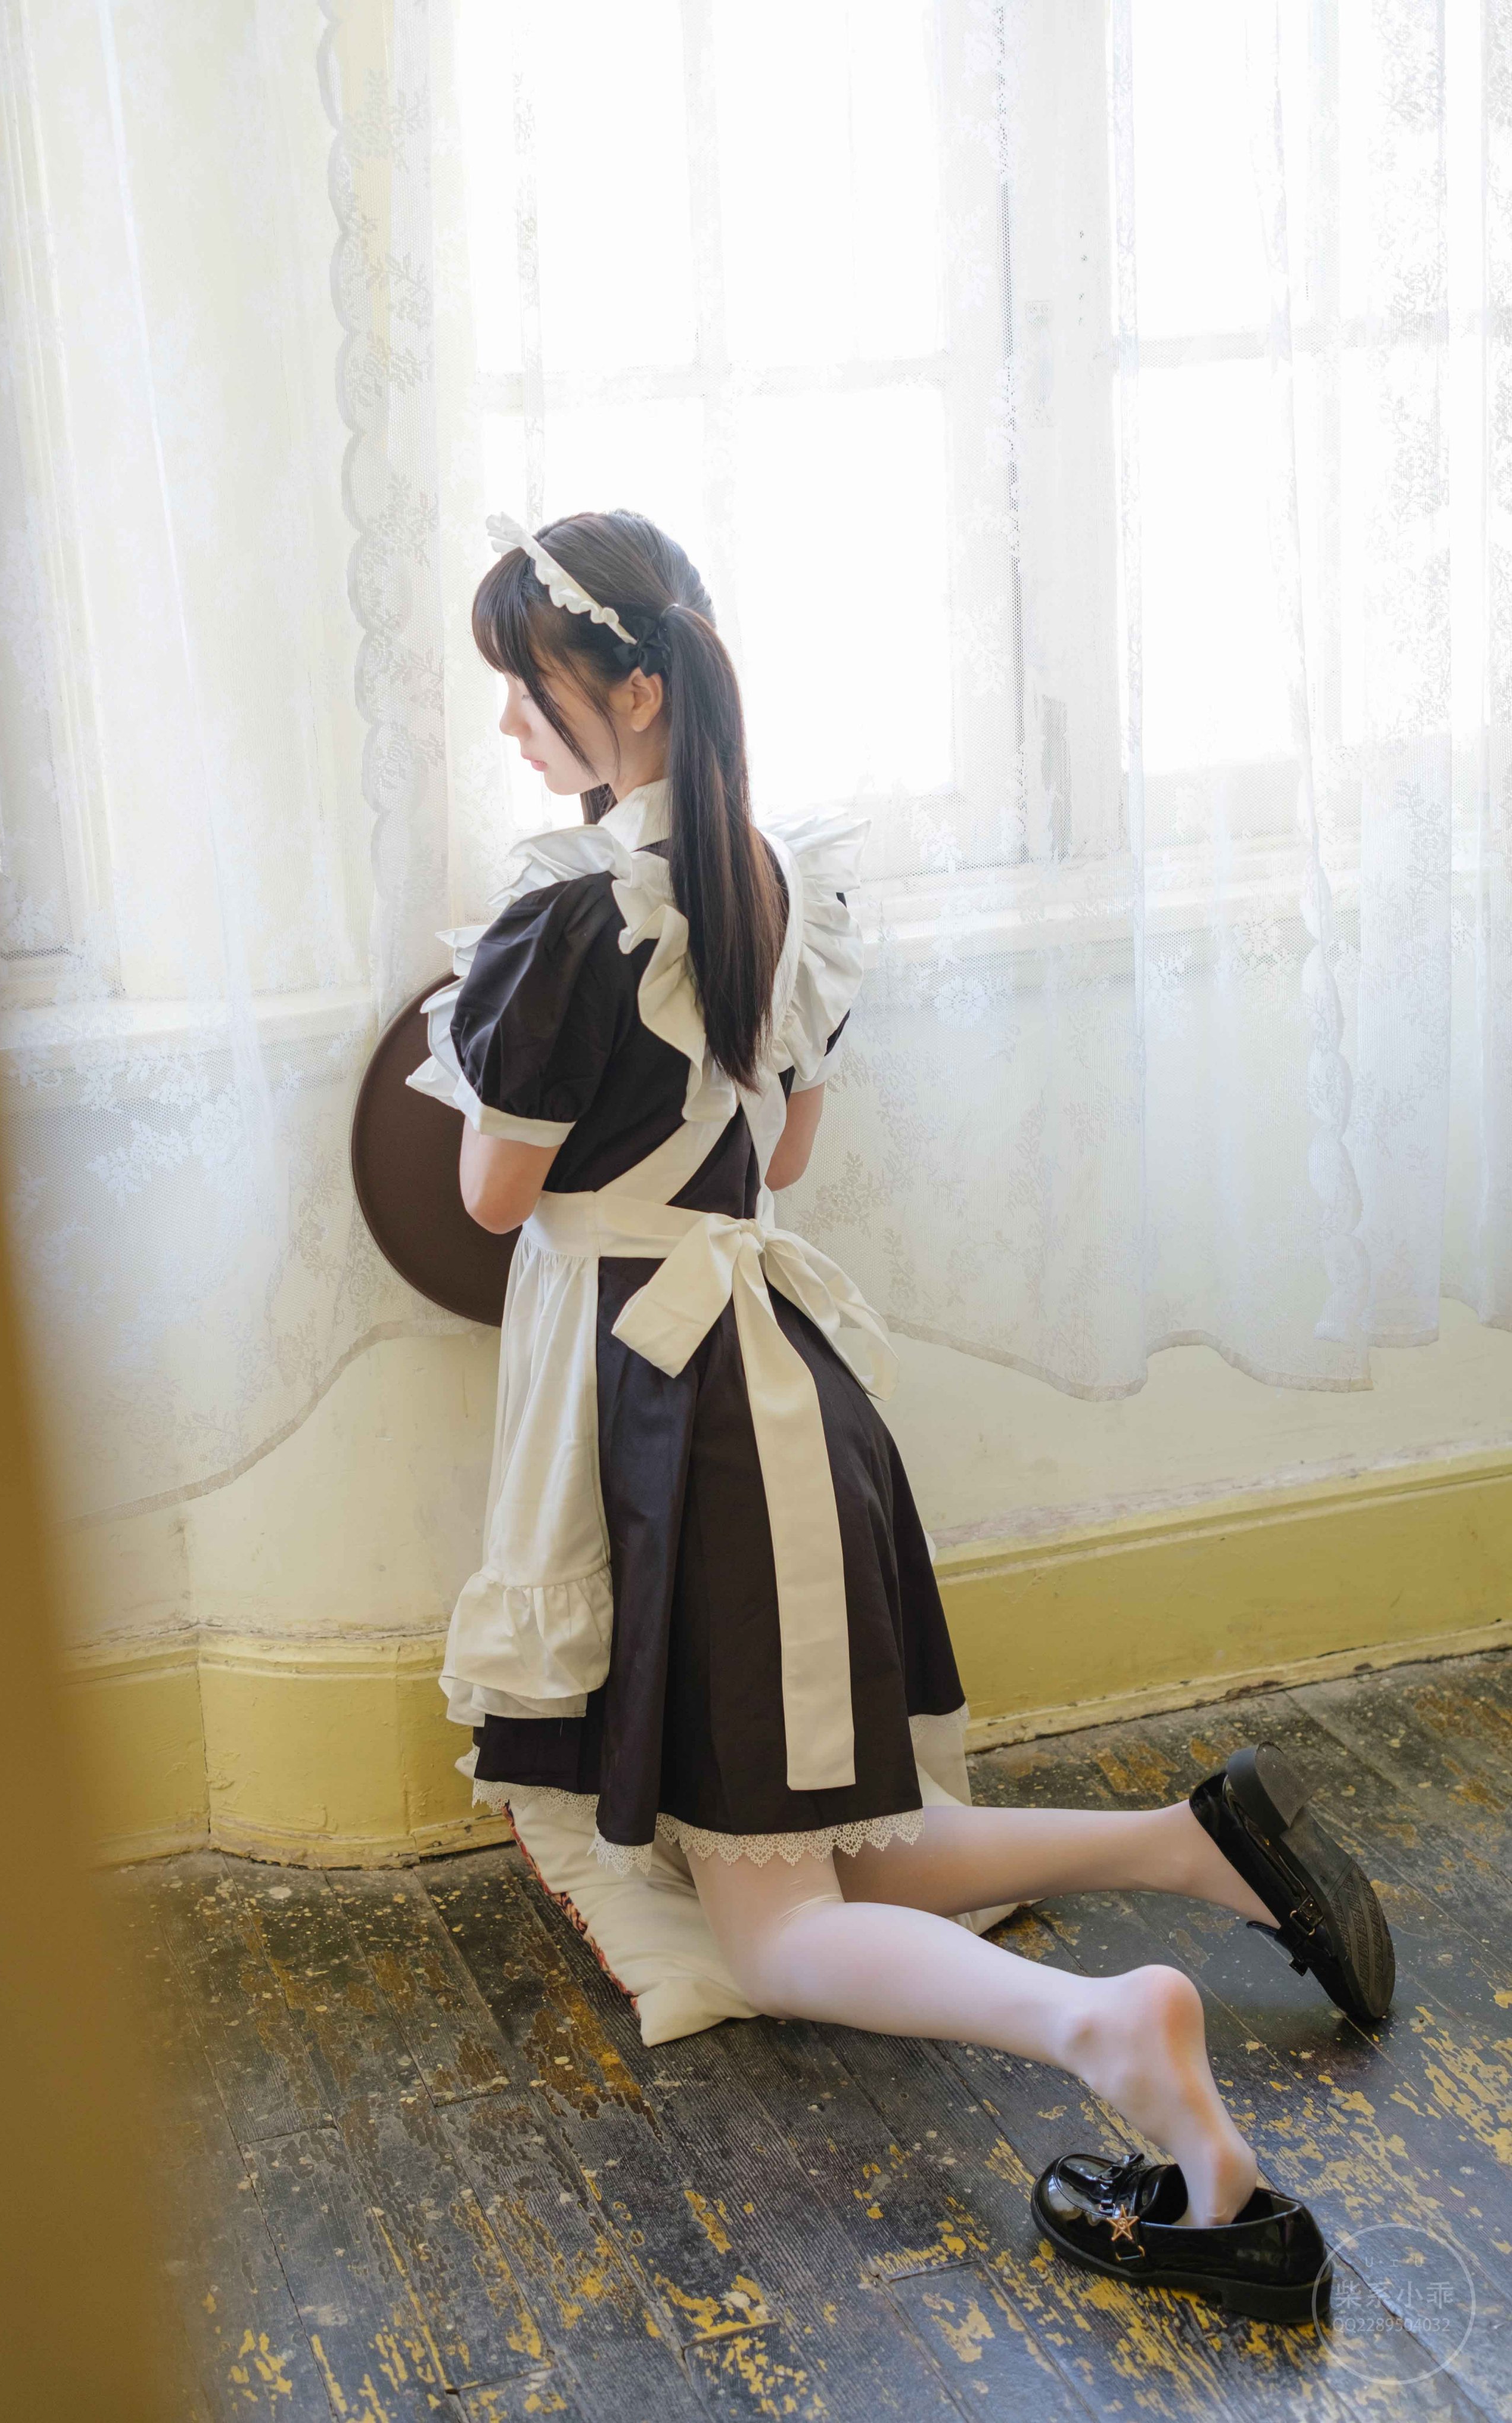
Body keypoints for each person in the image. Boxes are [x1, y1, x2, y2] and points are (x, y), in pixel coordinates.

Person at [410, 506, 1394, 2322]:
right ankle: (1186, 1846)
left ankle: (1103, 2029)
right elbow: (779, 1155)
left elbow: (490, 1197)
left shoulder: (568, 915)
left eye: (523, 689)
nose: (507, 726)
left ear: (630, 691)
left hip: (686, 1426)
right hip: (781, 1392)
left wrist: (492, 1039)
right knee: (838, 1845)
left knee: (778, 1931)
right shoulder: (774, 882)